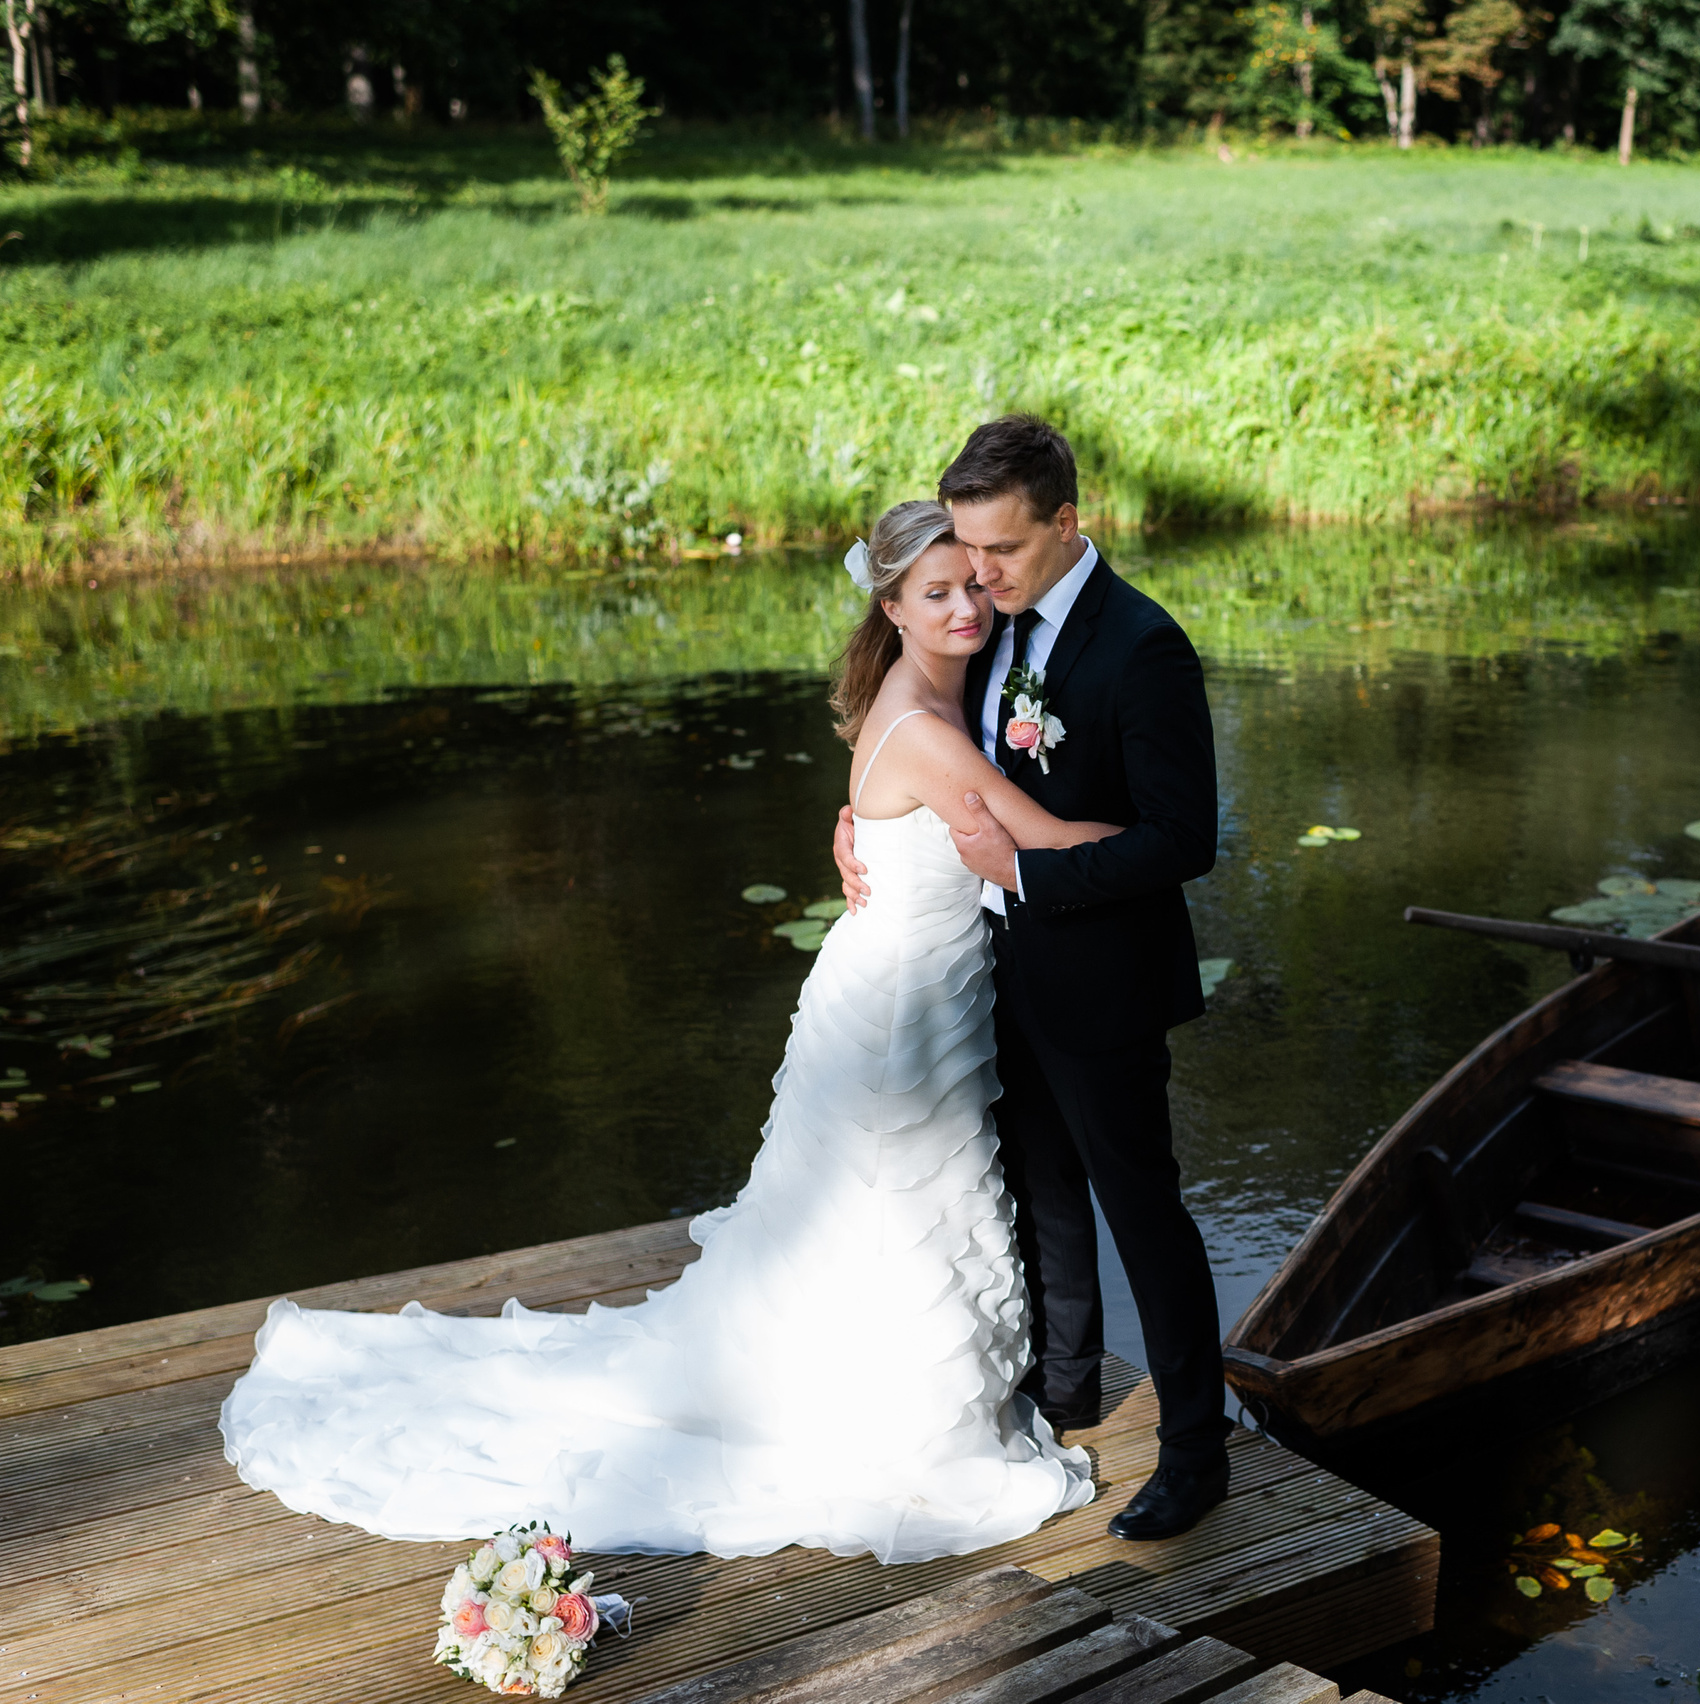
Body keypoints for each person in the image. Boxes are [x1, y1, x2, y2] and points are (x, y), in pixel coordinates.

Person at [216, 499, 1116, 1563]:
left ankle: (873, 1382)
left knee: (873, 1212)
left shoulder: (932, 692)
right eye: (937, 592)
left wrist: (865, 816)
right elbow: (1058, 841)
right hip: (900, 1010)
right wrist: (1171, 831)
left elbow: (925, 800)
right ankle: (892, 1416)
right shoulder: (920, 724)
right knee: (893, 1200)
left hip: (921, 987)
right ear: (890, 604)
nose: (967, 604)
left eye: (973, 581)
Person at [833, 416, 1230, 1542]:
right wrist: (862, 816)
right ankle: (1063, 1391)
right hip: (991, 972)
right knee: (1040, 1196)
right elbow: (928, 741)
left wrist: (1028, 874)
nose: (980, 577)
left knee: (1141, 1210)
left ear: (1068, 523)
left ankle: (1197, 1454)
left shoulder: (1140, 647)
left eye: (1001, 552)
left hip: (1100, 977)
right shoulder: (992, 626)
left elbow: (1181, 839)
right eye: (965, 554)